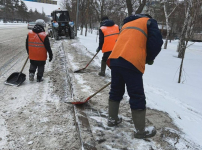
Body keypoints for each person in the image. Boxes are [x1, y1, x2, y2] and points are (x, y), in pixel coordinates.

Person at [107, 14, 163, 139]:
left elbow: (119, 41)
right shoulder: (149, 22)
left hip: (115, 59)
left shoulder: (127, 24)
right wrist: (149, 57)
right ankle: (140, 131)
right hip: (131, 61)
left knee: (116, 90)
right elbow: (157, 42)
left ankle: (112, 119)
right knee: (136, 95)